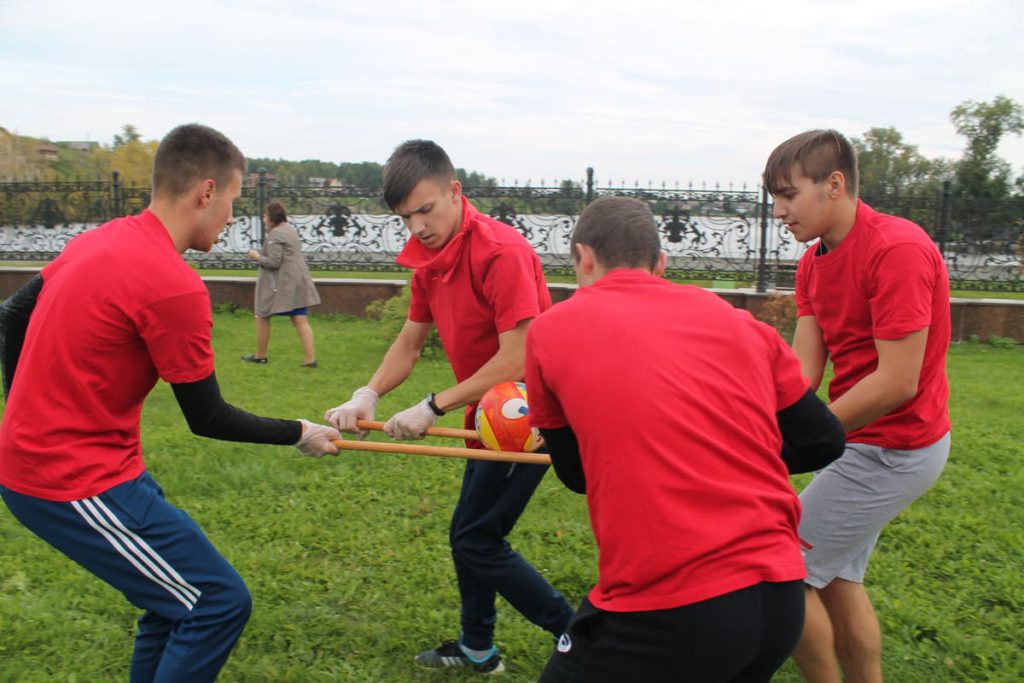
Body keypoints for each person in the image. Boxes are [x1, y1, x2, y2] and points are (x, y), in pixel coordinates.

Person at [0, 123, 342, 683]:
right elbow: (207, 417)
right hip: (69, 480)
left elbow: (10, 315)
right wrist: (299, 430)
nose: (232, 217)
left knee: (173, 604)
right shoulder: (173, 285)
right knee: (217, 602)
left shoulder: (100, 238)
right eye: (231, 201)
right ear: (206, 192)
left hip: (88, 467)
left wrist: (19, 414)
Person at [525, 195, 847, 683]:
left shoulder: (551, 330)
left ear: (583, 257)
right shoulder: (742, 323)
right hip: (780, 598)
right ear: (660, 263)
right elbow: (825, 438)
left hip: (673, 604)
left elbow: (576, 474)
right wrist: (721, 450)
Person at [323, 139, 574, 673]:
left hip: (532, 416)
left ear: (455, 192)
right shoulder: (429, 260)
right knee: (473, 535)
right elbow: (410, 342)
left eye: (426, 209)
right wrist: (367, 393)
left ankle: (579, 633)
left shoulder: (501, 252)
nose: (417, 225)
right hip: (489, 416)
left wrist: (432, 405)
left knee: (475, 538)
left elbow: (517, 358)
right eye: (405, 216)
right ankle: (479, 648)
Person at [763, 129, 951, 683]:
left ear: (835, 185)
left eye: (788, 194)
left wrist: (802, 439)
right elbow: (802, 373)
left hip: (897, 449)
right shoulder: (812, 264)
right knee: (839, 580)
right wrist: (754, 422)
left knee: (783, 575)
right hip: (859, 444)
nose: (779, 211)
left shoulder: (898, 249)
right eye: (774, 198)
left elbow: (897, 382)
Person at [242, 199, 320, 367]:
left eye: (264, 215)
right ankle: (310, 359)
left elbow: (274, 262)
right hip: (298, 280)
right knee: (300, 318)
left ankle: (260, 355)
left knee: (262, 314)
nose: (263, 219)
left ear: (270, 216)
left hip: (283, 284)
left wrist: (255, 256)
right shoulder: (290, 229)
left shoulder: (275, 234)